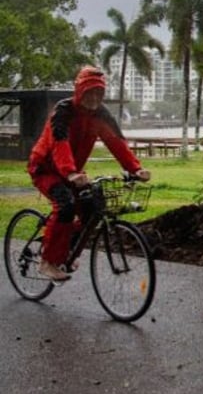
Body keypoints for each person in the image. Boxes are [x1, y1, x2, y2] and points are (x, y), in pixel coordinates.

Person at [28, 66, 151, 282]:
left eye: (98, 93)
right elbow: (60, 143)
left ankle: (66, 250)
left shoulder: (100, 115)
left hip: (73, 172)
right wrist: (70, 173)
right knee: (65, 205)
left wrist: (135, 169)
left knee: (92, 207)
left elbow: (116, 142)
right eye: (89, 92)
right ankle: (47, 261)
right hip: (45, 169)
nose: (94, 98)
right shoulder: (63, 111)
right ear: (79, 91)